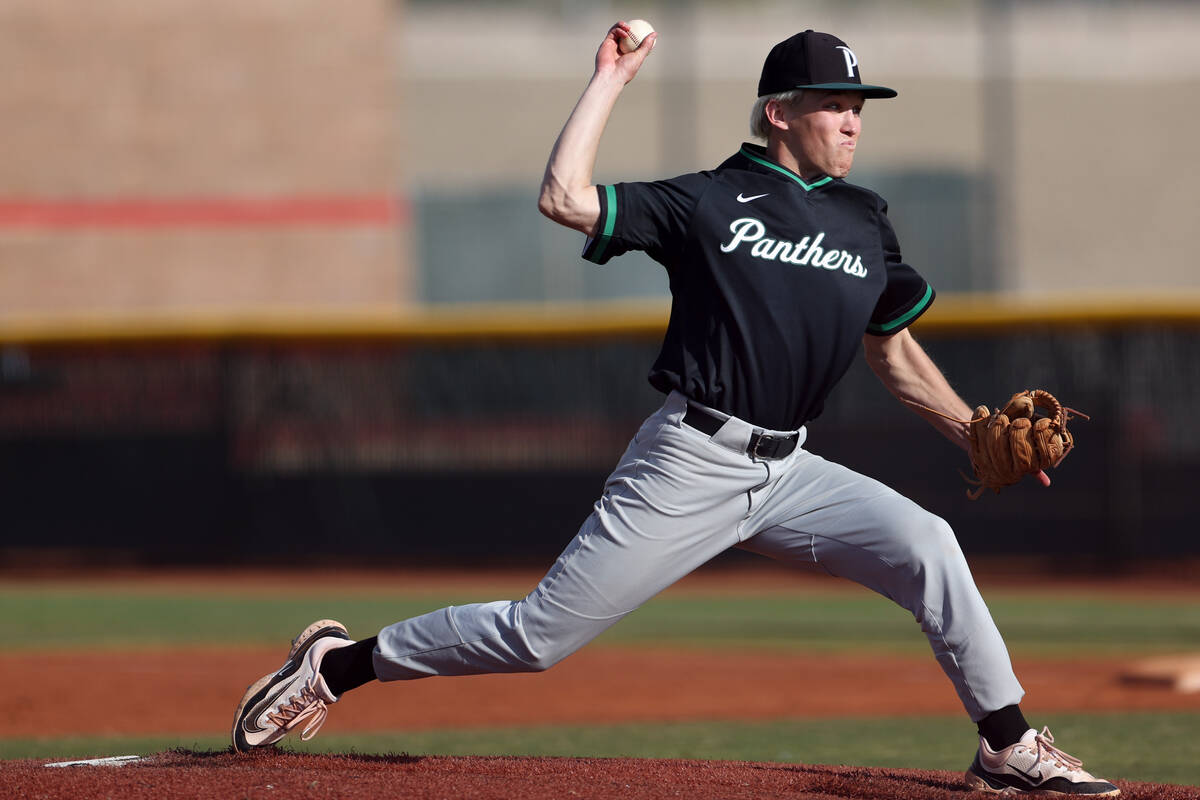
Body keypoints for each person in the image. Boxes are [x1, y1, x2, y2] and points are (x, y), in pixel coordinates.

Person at [232, 24, 1118, 797]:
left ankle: (1008, 747)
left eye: (860, 104)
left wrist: (967, 427)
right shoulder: (706, 201)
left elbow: (891, 351)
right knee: (540, 637)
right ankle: (336, 665)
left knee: (930, 544)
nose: (852, 119)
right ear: (779, 111)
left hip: (791, 470)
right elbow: (564, 199)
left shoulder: (864, 219)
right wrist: (610, 79)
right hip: (691, 459)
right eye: (834, 102)